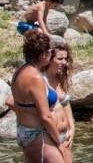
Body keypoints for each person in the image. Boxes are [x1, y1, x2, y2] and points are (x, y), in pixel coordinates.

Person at [9, 30, 65, 162]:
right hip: (38, 135)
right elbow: (45, 116)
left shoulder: (19, 72)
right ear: (42, 55)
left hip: (26, 132)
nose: (51, 54)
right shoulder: (35, 77)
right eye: (50, 51)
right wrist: (59, 142)